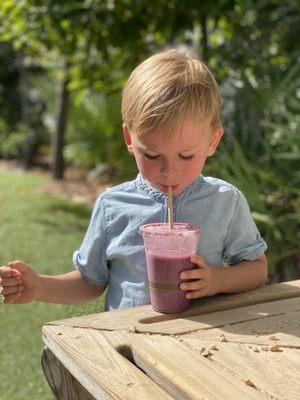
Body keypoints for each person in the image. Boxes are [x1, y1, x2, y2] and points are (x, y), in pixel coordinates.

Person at [0, 50, 268, 310]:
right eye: (152, 155)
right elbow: (89, 282)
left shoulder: (225, 201)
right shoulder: (113, 206)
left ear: (212, 141)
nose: (169, 171)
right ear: (130, 139)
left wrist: (218, 280)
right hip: (127, 343)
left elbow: (257, 269)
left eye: (186, 156)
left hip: (199, 346)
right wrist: (41, 287)